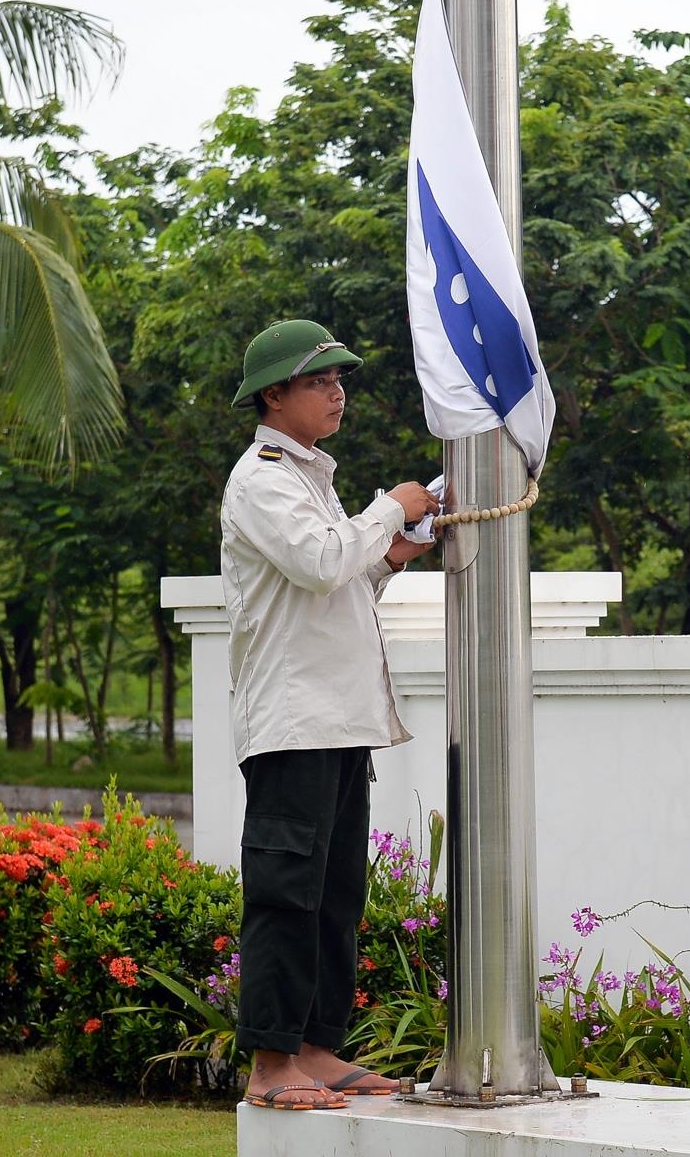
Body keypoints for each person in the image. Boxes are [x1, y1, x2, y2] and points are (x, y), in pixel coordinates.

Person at [220, 319, 441, 1111]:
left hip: (338, 722)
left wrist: (386, 557)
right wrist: (389, 510)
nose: (337, 392)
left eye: (340, 379)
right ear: (273, 395)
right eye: (319, 381)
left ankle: (314, 1049)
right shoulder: (263, 478)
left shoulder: (309, 479)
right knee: (286, 892)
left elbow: (335, 583)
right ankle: (271, 1065)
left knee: (337, 895)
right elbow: (319, 564)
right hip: (292, 725)